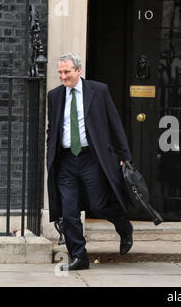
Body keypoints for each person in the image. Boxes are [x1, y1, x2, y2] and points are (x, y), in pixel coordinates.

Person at [47, 53, 133, 271]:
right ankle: (79, 256)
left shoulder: (98, 90)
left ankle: (124, 227)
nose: (63, 76)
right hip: (66, 159)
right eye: (60, 72)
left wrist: (125, 155)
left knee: (99, 205)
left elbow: (114, 123)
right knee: (69, 211)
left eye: (67, 72)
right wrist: (51, 153)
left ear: (78, 71)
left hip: (91, 158)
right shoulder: (55, 95)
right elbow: (53, 127)